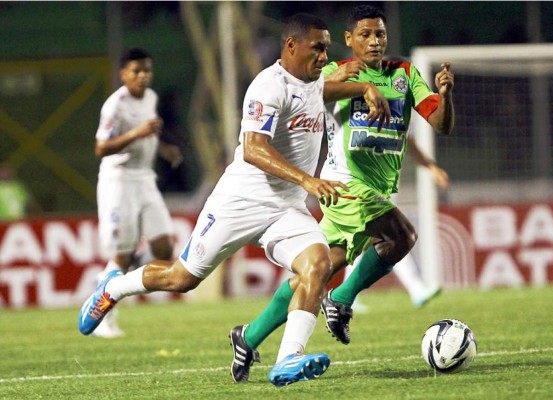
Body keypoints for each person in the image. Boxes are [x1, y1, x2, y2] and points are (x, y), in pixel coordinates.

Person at [78, 13, 390, 387]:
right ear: (291, 46)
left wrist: (364, 89)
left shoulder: (314, 80)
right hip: (240, 201)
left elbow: (322, 91)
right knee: (181, 278)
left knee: (318, 264)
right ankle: (112, 289)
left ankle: (288, 358)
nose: (325, 56)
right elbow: (254, 149)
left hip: (285, 208)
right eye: (318, 48)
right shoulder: (266, 86)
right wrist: (309, 179)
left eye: (326, 48)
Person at [229, 4, 454, 382]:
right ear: (348, 40)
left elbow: (440, 124)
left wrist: (444, 95)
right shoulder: (334, 72)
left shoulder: (405, 74)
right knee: (402, 236)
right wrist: (357, 86)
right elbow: (310, 93)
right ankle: (341, 300)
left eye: (379, 34)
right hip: (345, 186)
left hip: (375, 190)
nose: (374, 41)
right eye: (364, 34)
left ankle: (248, 337)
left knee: (317, 272)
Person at [92, 48, 182, 338]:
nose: (143, 76)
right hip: (118, 181)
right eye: (136, 71)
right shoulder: (114, 105)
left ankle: (116, 274)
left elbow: (150, 132)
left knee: (165, 250)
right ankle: (104, 314)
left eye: (147, 71)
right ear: (123, 74)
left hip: (145, 178)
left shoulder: (151, 98)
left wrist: (165, 148)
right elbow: (101, 148)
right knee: (122, 254)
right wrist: (136, 133)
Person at [344, 132, 449, 312]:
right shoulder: (360, 112)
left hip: (387, 184)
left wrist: (431, 167)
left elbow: (410, 142)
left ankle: (346, 296)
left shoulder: (400, 114)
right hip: (362, 183)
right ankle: (416, 288)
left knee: (370, 237)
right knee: (391, 235)